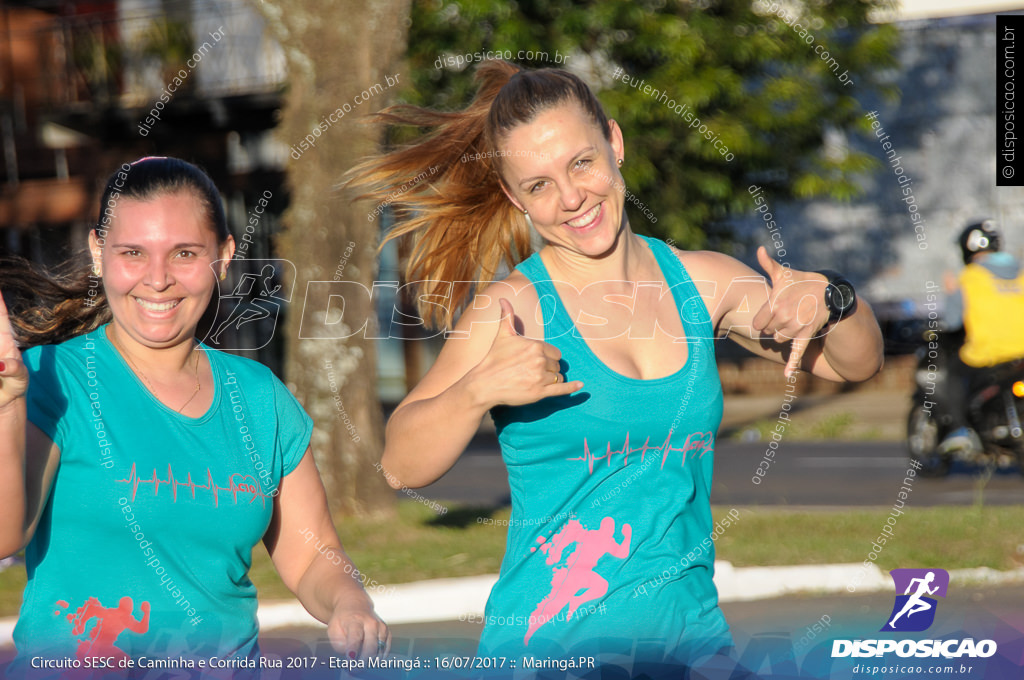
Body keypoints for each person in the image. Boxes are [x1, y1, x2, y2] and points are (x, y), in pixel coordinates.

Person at [350, 60, 883, 674]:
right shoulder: (513, 309)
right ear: (512, 196)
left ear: (615, 143)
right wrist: (476, 391)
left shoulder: (703, 283)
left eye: (581, 163)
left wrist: (832, 299)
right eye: (539, 185)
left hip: (691, 644)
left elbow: (855, 364)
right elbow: (399, 465)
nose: (572, 198)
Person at [0, 157, 389, 674]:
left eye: (184, 253)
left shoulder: (260, 398)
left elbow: (314, 554)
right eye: (132, 253)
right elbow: (6, 536)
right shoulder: (53, 379)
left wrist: (350, 603)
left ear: (224, 257)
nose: (157, 280)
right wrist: (7, 404)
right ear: (99, 252)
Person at [939, 220, 1024, 453]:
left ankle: (961, 431)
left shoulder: (969, 277)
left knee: (953, 374)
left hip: (990, 352)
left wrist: (950, 293)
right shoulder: (1021, 273)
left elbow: (953, 321)